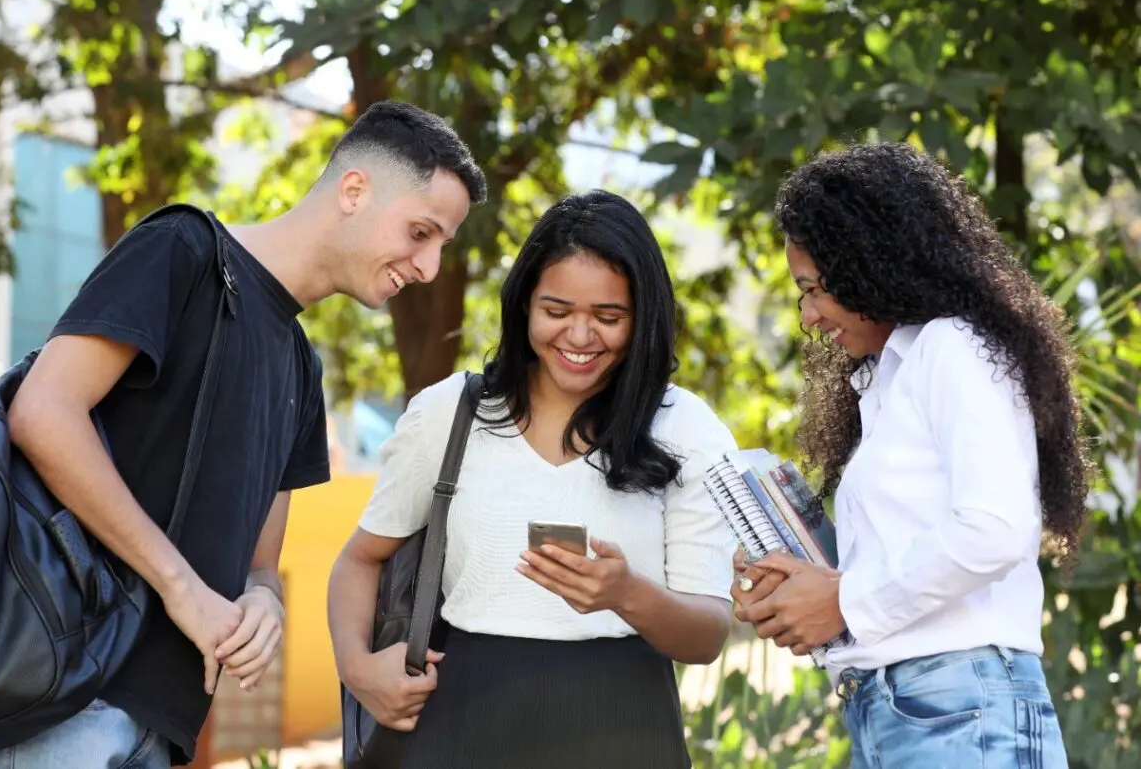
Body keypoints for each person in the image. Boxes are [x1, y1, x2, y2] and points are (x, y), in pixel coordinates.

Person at [0, 100, 487, 769]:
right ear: (354, 190)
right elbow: (44, 410)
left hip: (159, 721)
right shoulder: (184, 250)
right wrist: (183, 590)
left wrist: (263, 602)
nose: (429, 267)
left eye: (440, 245)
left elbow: (261, 562)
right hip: (57, 701)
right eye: (420, 232)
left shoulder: (299, 365)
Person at [328, 190, 737, 769]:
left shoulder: (686, 426)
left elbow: (708, 636)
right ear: (524, 306)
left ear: (644, 319)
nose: (578, 336)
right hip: (458, 723)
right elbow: (360, 559)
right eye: (557, 310)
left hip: (623, 728)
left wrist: (625, 594)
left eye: (608, 317)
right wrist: (359, 668)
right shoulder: (451, 413)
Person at [732, 143, 1084, 768]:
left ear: (871, 266)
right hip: (903, 710)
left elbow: (995, 529)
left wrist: (843, 601)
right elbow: (904, 553)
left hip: (960, 709)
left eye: (815, 289)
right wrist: (797, 578)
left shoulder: (954, 348)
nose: (809, 315)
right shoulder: (888, 377)